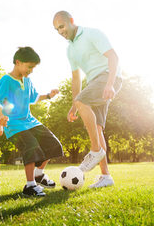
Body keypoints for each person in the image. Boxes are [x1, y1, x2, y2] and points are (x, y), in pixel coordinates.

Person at [52, 11, 122, 188]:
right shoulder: (70, 49)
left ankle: (96, 151)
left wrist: (110, 84)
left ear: (71, 21)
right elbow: (76, 79)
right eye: (56, 29)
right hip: (94, 83)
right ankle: (106, 177)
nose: (60, 31)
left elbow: (113, 57)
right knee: (97, 128)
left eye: (62, 26)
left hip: (107, 78)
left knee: (83, 102)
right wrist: (74, 105)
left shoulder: (92, 33)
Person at [0, 47, 63, 197]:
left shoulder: (27, 80)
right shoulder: (6, 80)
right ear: (18, 62)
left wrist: (49, 95)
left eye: (33, 68)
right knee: (31, 146)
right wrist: (0, 117)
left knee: (53, 144)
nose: (31, 70)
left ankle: (39, 174)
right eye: (29, 67)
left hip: (30, 121)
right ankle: (30, 186)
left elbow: (33, 98)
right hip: (14, 124)